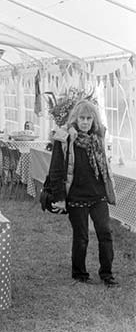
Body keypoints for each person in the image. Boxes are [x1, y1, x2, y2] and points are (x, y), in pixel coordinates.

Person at [48, 100, 118, 287]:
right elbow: (55, 170)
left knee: (105, 232)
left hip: (98, 195)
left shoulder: (97, 137)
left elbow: (105, 167)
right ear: (75, 119)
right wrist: (60, 198)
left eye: (89, 118)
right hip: (76, 196)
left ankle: (107, 274)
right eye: (82, 118)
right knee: (81, 236)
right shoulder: (64, 138)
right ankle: (79, 274)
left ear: (93, 120)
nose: (85, 122)